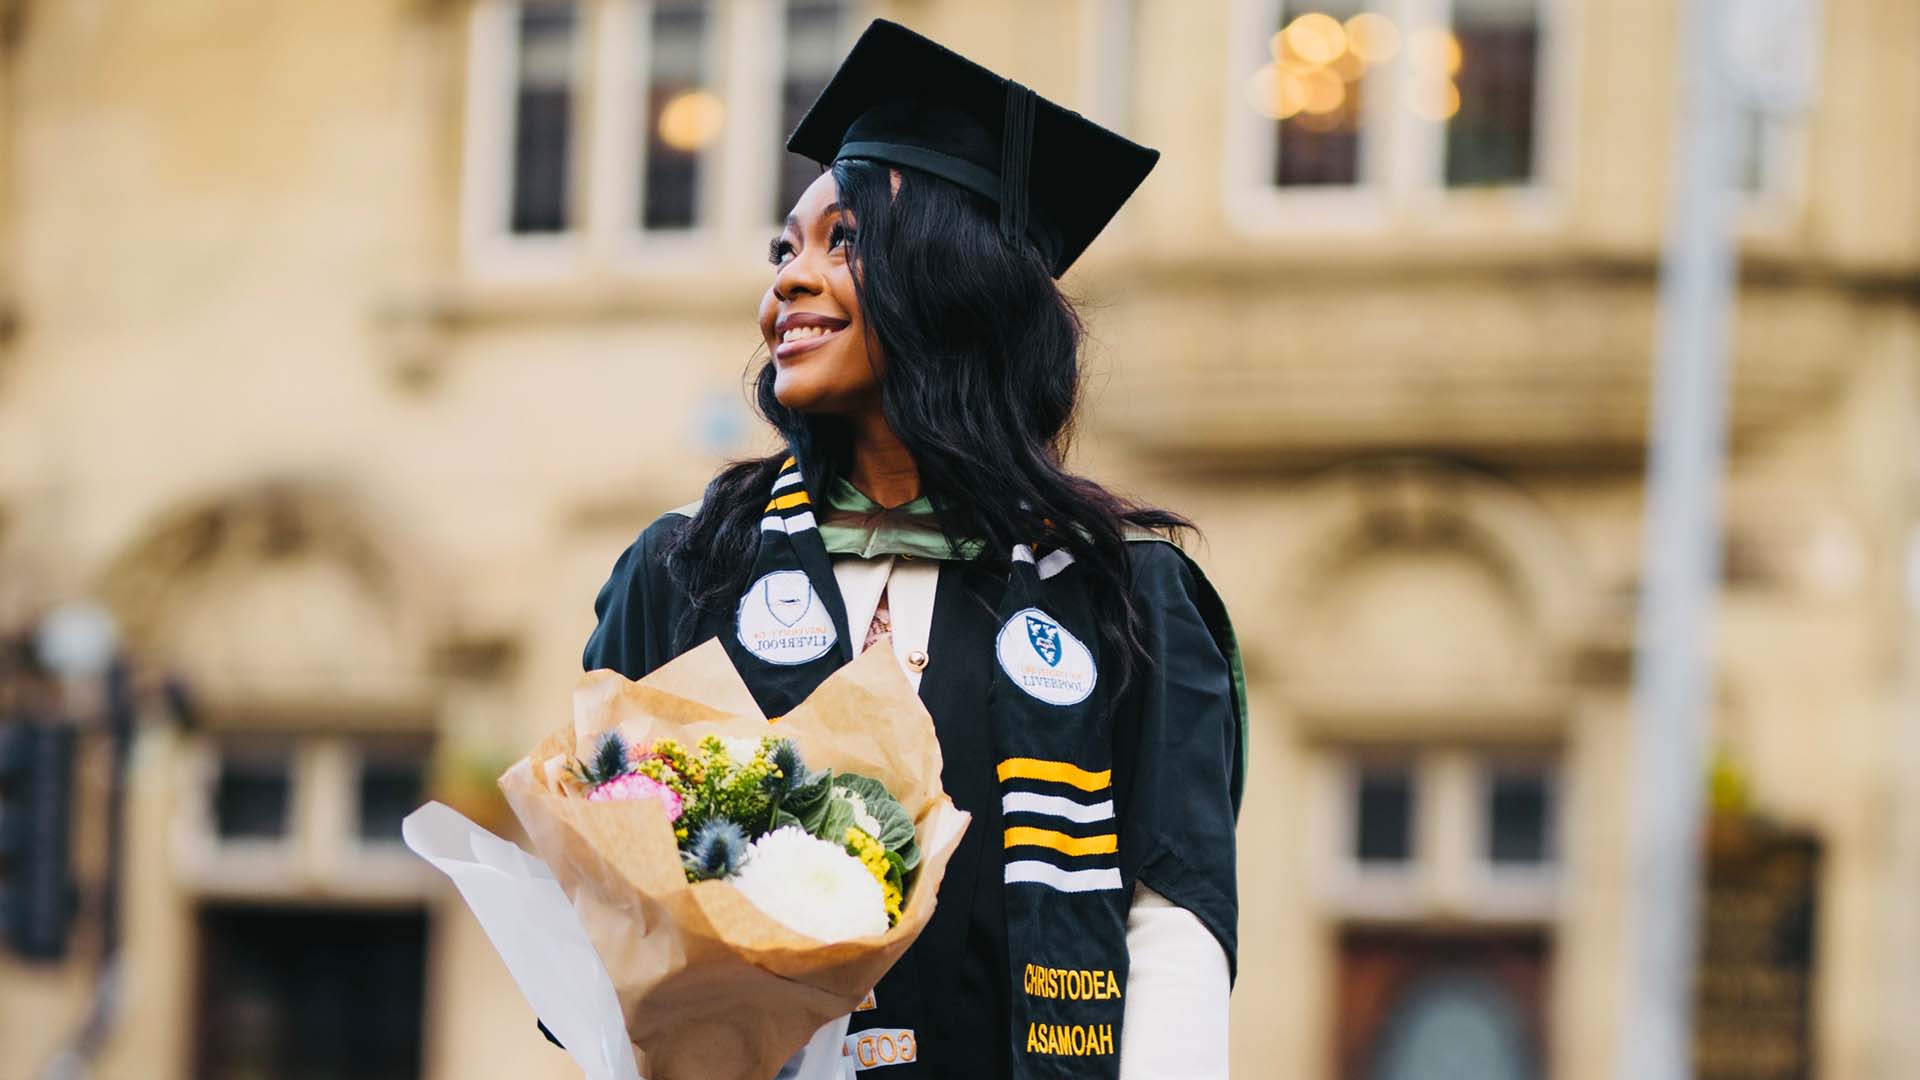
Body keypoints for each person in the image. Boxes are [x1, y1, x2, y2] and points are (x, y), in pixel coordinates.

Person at [578, 19, 1246, 1079]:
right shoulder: (690, 574)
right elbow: (613, 919)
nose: (788, 283)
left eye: (841, 241)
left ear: (955, 279)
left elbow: (1173, 929)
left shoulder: (1123, 597)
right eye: (781, 250)